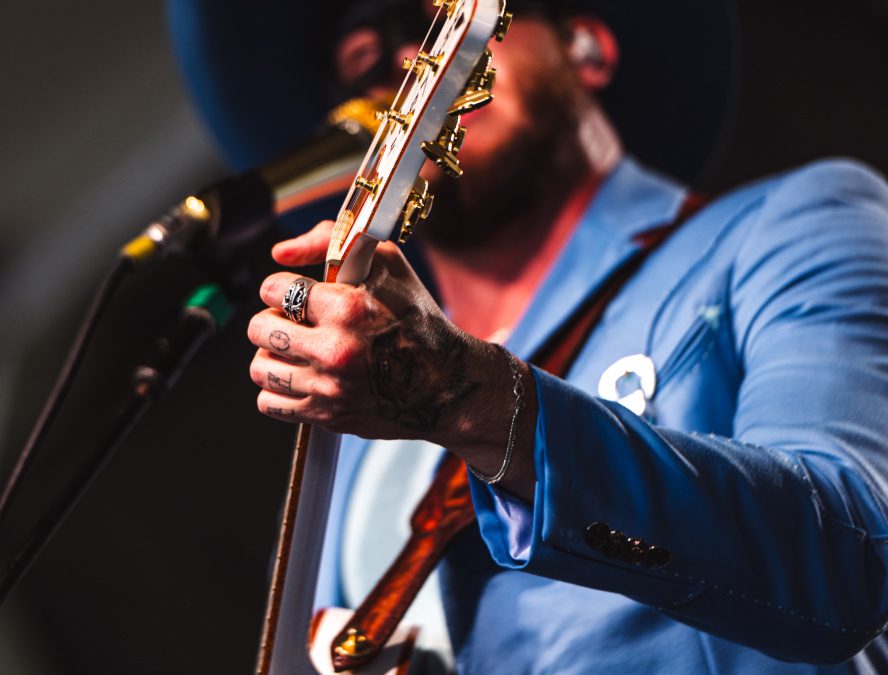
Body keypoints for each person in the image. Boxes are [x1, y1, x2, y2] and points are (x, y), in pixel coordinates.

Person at [172, 0, 888, 672]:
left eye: (431, 22)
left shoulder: (790, 223)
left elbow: (852, 558)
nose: (402, 68)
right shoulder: (349, 443)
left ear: (586, 45)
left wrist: (466, 396)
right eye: (363, 62)